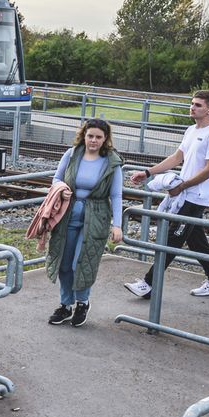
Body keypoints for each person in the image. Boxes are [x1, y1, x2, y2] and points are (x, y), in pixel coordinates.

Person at [124, 90, 209, 299]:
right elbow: (176, 158)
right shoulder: (191, 130)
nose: (193, 107)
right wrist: (147, 172)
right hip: (182, 194)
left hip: (195, 196)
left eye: (198, 105)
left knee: (172, 240)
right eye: (192, 103)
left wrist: (183, 185)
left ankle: (148, 284)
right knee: (196, 240)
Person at [45, 118, 124, 327]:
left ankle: (82, 302)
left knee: (81, 262)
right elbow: (56, 178)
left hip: (95, 218)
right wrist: (62, 187)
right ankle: (65, 305)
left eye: (99, 137)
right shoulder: (72, 154)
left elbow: (116, 195)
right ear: (84, 135)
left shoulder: (112, 162)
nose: (94, 141)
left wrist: (117, 224)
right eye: (90, 136)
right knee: (64, 262)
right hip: (67, 214)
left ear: (105, 139)